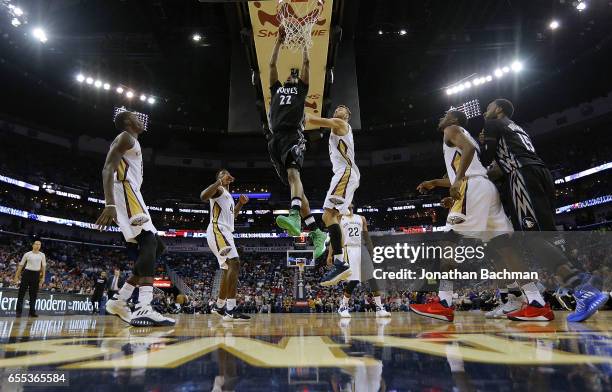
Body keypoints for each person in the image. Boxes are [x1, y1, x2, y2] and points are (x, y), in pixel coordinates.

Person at [481, 99, 608, 322]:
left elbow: (488, 159)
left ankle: (580, 286)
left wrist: (483, 144)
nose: (485, 111)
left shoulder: (493, 124)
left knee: (531, 238)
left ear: (498, 110)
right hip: (540, 173)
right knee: (548, 237)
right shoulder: (516, 127)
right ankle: (585, 282)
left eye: (489, 107)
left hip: (521, 176)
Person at [412, 110, 517, 322]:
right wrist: (435, 182)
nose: (442, 115)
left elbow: (465, 163)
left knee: (448, 240)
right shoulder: (467, 135)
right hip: (486, 188)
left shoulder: (451, 130)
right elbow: (469, 163)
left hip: (472, 187)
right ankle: (527, 299)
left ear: (454, 120)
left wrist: (459, 180)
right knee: (501, 247)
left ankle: (444, 302)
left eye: (446, 114)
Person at [96, 110, 175, 327]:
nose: (141, 120)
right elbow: (107, 168)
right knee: (148, 241)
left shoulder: (132, 142)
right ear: (128, 121)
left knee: (158, 248)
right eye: (136, 117)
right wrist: (110, 203)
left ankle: (119, 300)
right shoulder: (126, 137)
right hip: (124, 191)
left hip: (131, 192)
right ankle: (143, 307)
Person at [267, 26, 326, 258]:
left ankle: (293, 215)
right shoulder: (277, 89)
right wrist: (278, 42)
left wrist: (304, 44)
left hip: (293, 134)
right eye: (290, 74)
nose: (292, 75)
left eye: (295, 74)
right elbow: (271, 66)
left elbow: (307, 65)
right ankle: (316, 232)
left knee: (294, 176)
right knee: (297, 190)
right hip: (275, 140)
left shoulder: (301, 89)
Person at [305, 106, 359, 286]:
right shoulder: (337, 127)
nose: (338, 109)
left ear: (348, 116)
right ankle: (339, 260)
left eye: (343, 109)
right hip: (346, 174)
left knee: (327, 215)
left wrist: (294, 113)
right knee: (334, 218)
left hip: (345, 172)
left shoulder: (340, 124)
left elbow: (312, 120)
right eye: (337, 108)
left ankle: (340, 263)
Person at [200, 169, 250, 321]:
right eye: (222, 173)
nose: (226, 174)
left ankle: (220, 306)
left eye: (227, 173)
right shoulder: (219, 189)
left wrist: (240, 204)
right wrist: (219, 182)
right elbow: (203, 196)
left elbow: (232, 217)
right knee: (235, 262)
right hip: (218, 230)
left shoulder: (228, 196)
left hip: (226, 231)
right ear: (219, 178)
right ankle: (230, 308)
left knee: (228, 267)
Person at [327, 204, 391, 318]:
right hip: (348, 249)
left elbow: (366, 236)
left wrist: (371, 250)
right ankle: (343, 306)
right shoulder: (339, 218)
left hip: (361, 247)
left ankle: (379, 307)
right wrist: (330, 255)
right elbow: (334, 238)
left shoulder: (361, 218)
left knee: (372, 278)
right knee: (354, 280)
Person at [14, 240, 46, 318]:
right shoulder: (27, 254)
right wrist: (16, 276)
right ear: (33, 245)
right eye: (36, 244)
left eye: (39, 244)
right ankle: (18, 312)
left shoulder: (42, 255)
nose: (38, 245)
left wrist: (43, 277)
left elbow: (43, 267)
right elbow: (21, 265)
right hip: (27, 273)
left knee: (33, 295)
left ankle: (32, 312)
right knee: (21, 293)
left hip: (36, 274)